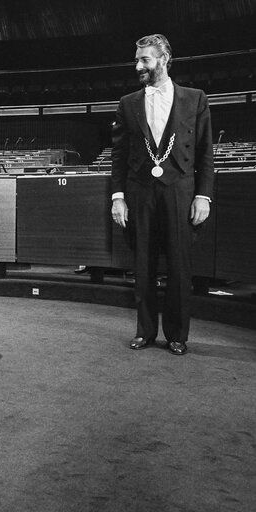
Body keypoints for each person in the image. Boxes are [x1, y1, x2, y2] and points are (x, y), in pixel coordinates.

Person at [111, 34, 214, 356]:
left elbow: (205, 154)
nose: (138, 65)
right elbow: (119, 155)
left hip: (180, 191)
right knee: (142, 265)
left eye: (145, 59)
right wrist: (118, 196)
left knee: (180, 267)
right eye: (137, 59)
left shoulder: (195, 98)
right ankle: (144, 331)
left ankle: (176, 334)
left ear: (164, 60)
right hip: (140, 192)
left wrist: (203, 196)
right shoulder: (128, 103)